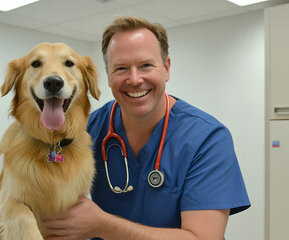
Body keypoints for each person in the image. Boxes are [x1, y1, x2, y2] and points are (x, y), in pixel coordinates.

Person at [42, 16, 250, 240]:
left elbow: (203, 238)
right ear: (109, 76)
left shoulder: (208, 139)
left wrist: (101, 225)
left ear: (166, 68)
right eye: (121, 68)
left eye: (145, 65)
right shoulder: (87, 130)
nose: (134, 79)